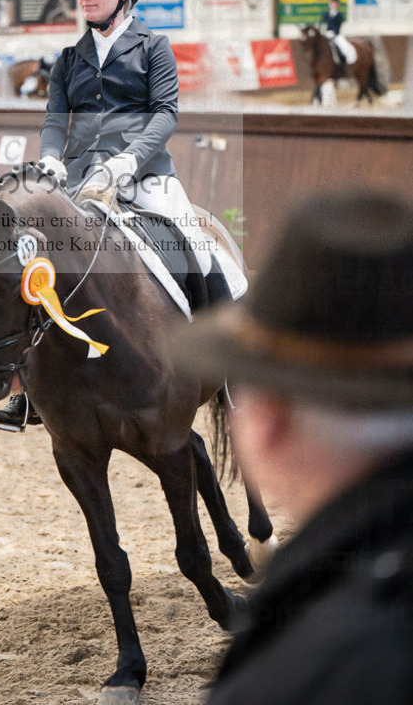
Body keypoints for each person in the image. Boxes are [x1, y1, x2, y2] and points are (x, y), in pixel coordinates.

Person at [0, 0, 244, 429]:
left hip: (145, 174)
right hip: (81, 178)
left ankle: (232, 371)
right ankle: (26, 388)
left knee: (197, 248)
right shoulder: (69, 58)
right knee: (34, 258)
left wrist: (128, 160)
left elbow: (165, 114)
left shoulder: (154, 47)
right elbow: (54, 120)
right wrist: (49, 159)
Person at [179, 188, 413, 705]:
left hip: (147, 179)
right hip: (89, 187)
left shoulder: (302, 675)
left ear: (268, 422)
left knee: (189, 243)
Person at [321, 0, 350, 72]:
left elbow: (338, 26)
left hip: (336, 35)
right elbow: (322, 24)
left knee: (343, 47)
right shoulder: (325, 14)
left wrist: (333, 32)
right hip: (326, 35)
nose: (332, 4)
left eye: (334, 3)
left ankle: (343, 64)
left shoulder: (340, 15)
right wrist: (323, 31)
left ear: (337, 4)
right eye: (331, 3)